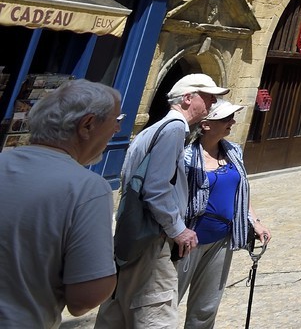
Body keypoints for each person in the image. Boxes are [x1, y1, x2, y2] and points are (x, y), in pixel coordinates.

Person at [98, 72, 227, 328]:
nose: (213, 103)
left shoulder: (155, 129)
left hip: (133, 236)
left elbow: (128, 176)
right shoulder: (175, 128)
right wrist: (178, 229)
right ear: (188, 98)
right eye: (209, 97)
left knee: (117, 312)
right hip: (151, 239)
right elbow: (156, 188)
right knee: (154, 315)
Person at [0, 80, 120, 327]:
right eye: (115, 121)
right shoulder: (86, 188)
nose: (117, 130)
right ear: (87, 125)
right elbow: (85, 297)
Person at [177, 100, 269, 328]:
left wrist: (255, 222)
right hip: (188, 240)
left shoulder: (233, 151)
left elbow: (240, 192)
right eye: (226, 119)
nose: (232, 122)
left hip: (222, 239)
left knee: (206, 307)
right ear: (206, 125)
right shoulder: (186, 157)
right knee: (168, 301)